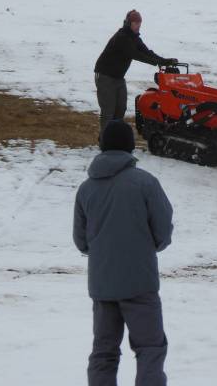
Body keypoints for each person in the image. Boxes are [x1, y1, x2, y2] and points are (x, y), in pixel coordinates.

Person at [73, 120, 174, 386]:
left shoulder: (86, 189)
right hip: (140, 282)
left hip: (102, 285)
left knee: (104, 353)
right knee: (150, 349)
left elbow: (81, 241)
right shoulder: (146, 183)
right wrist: (142, 248)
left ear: (102, 146)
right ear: (130, 147)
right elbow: (163, 232)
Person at [94, 10, 177, 140]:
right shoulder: (122, 37)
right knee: (108, 112)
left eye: (139, 23)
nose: (138, 26)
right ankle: (105, 142)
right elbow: (135, 54)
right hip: (105, 76)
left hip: (118, 78)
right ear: (128, 23)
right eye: (135, 23)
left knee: (120, 109)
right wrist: (155, 63)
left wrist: (164, 61)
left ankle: (113, 140)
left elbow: (146, 52)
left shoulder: (134, 37)